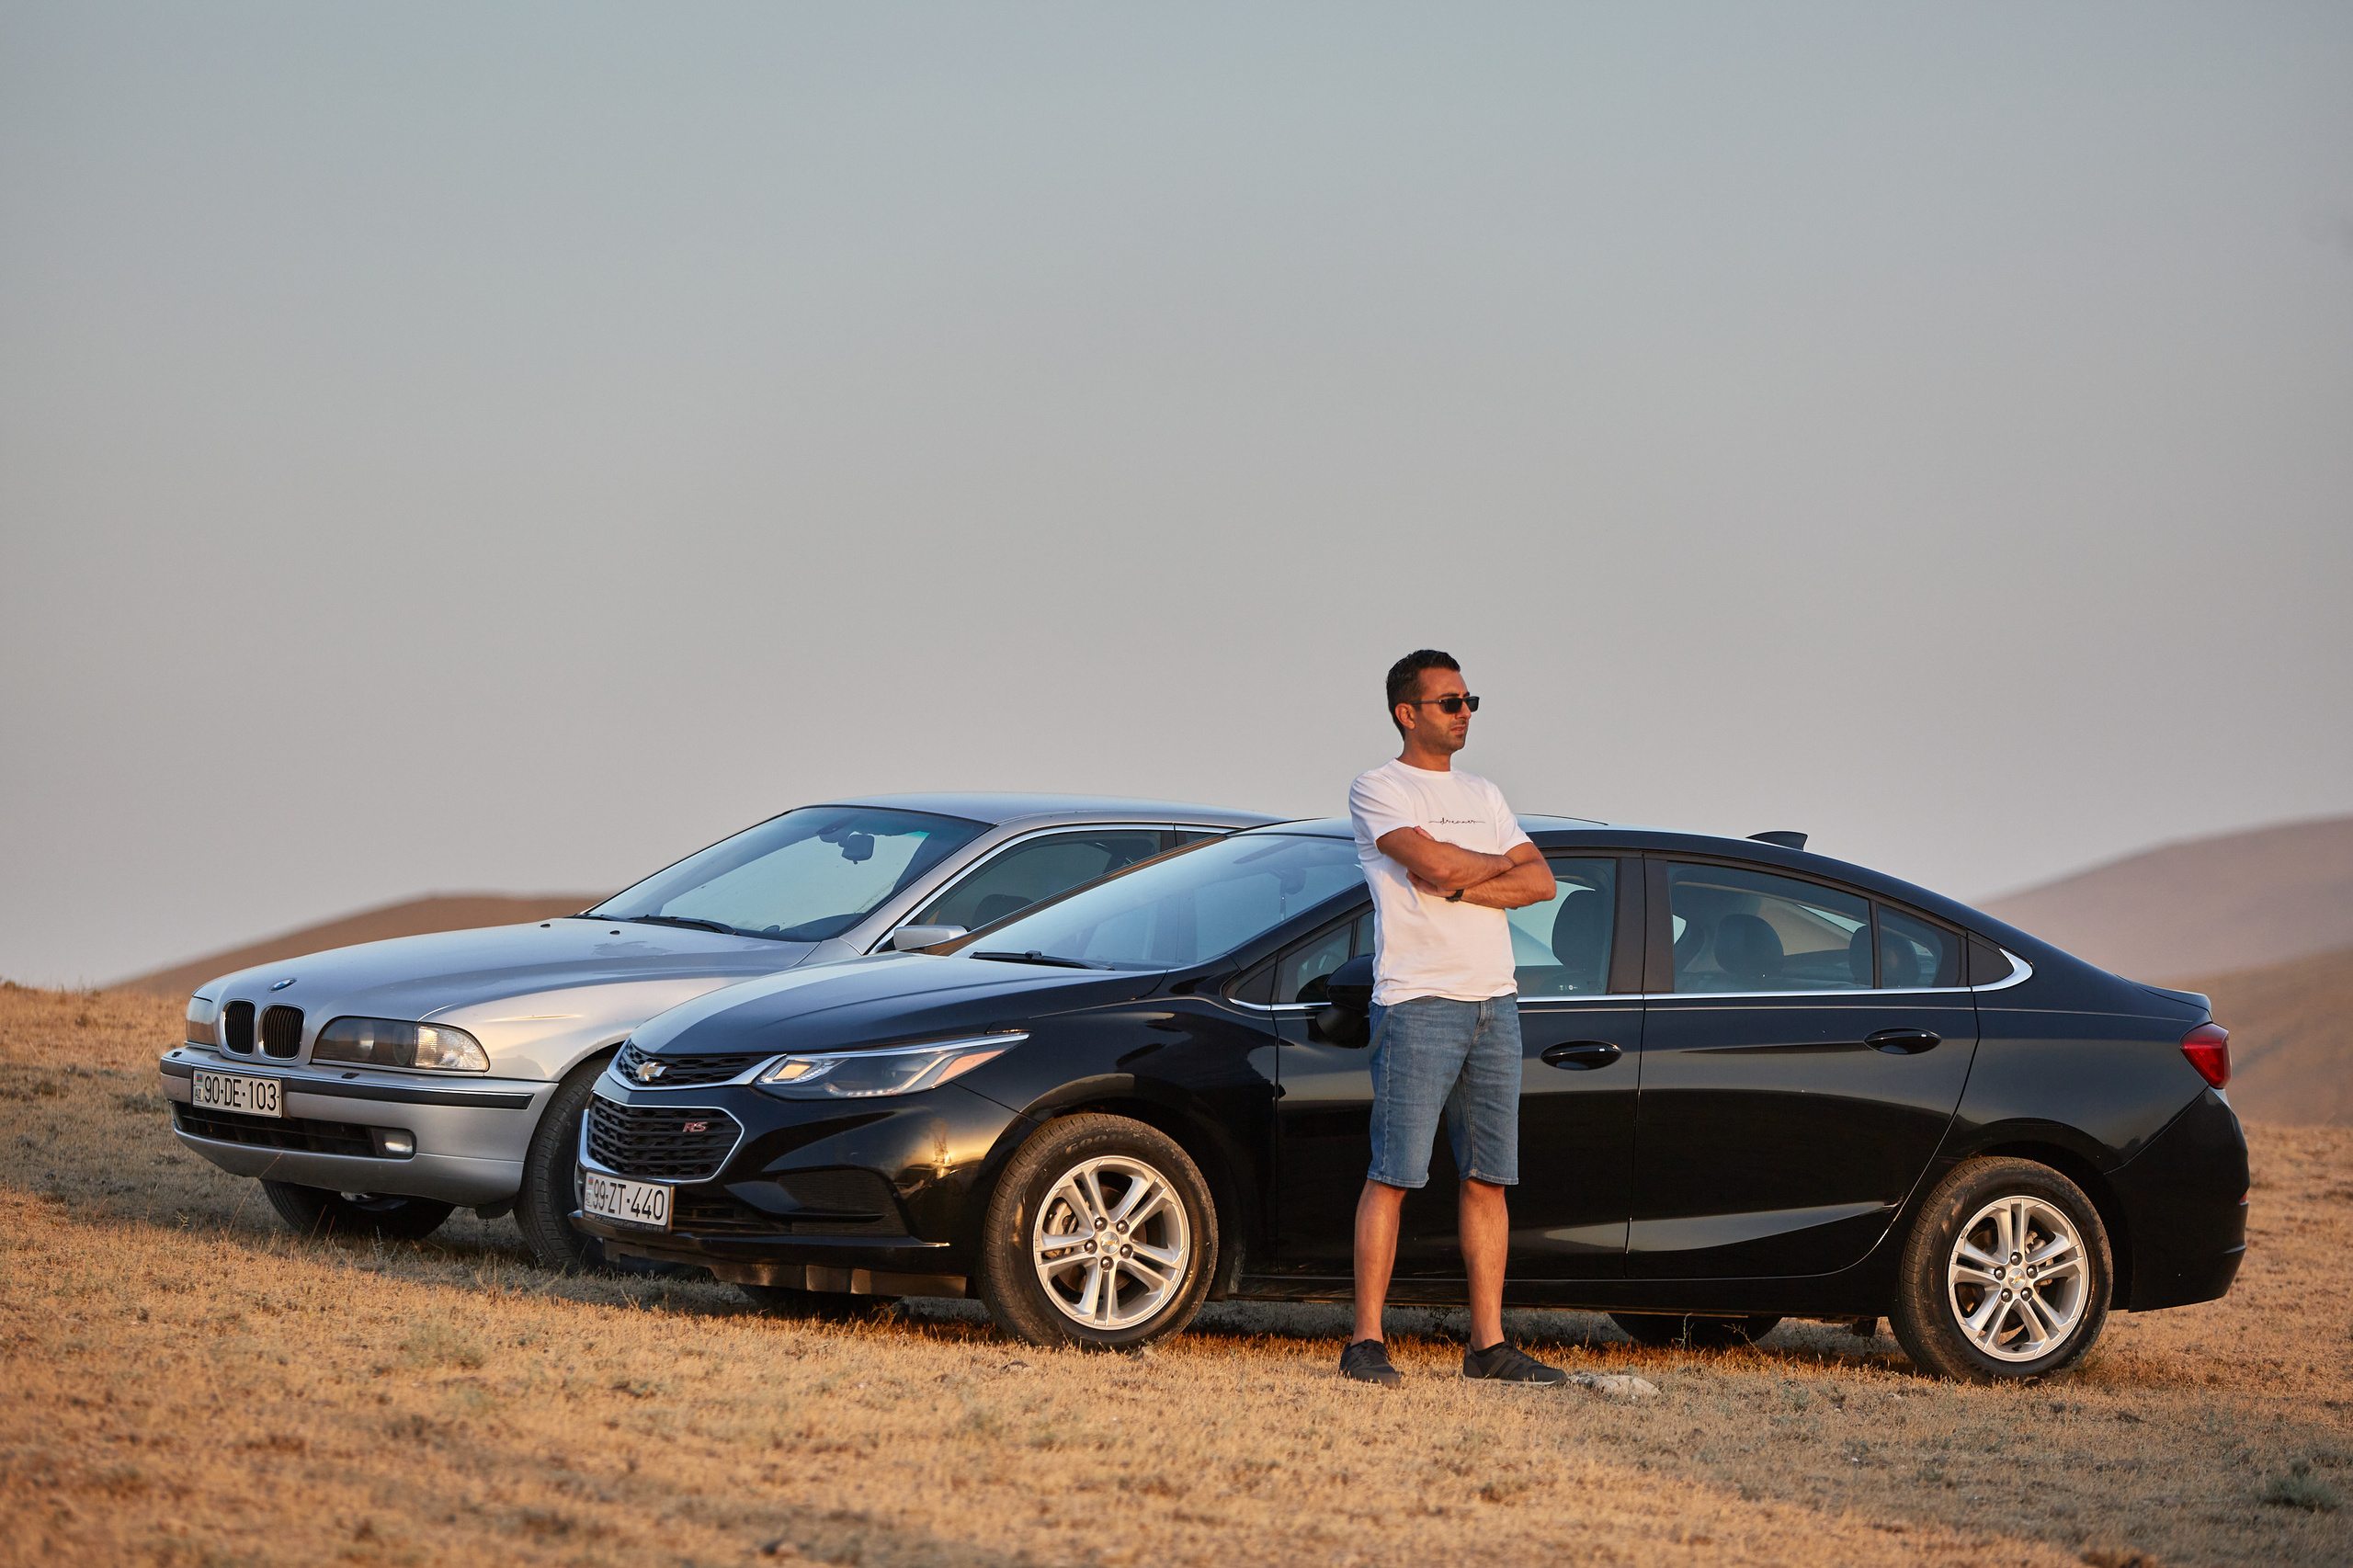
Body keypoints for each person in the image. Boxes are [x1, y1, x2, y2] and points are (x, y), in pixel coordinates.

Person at [1339, 650, 1569, 1386]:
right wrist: (1475, 867)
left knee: (1488, 1178)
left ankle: (1487, 1346)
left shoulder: (1484, 790)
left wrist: (1462, 883)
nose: (1465, 711)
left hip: (1494, 1003)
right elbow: (1425, 867)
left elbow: (1540, 881)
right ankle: (1366, 1342)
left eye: (1470, 699)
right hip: (1418, 1001)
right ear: (1408, 713)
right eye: (1449, 702)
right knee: (1395, 1173)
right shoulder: (1378, 788)